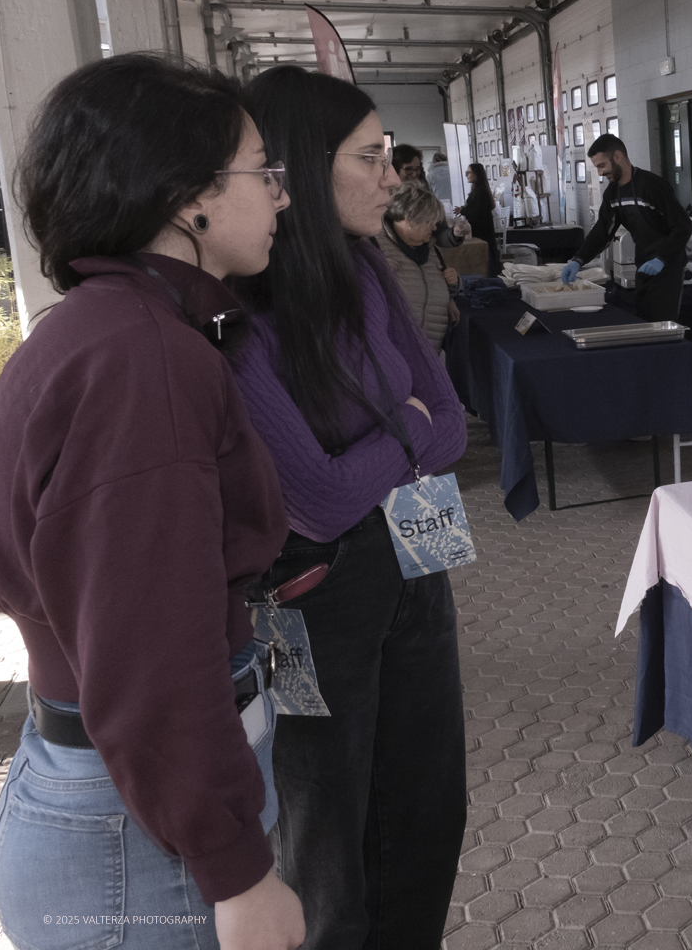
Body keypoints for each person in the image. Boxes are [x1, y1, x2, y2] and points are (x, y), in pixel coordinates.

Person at [0, 54, 302, 949]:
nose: (281, 196)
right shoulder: (145, 360)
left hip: (111, 795)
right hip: (140, 840)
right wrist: (237, 871)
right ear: (186, 198)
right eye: (261, 172)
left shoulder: (93, 330)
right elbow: (151, 650)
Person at [234, 66, 469, 950]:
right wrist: (401, 433)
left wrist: (392, 439)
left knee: (426, 808)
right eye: (369, 157)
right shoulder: (244, 309)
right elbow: (318, 498)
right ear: (297, 167)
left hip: (416, 555)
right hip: (316, 591)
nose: (392, 177)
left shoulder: (368, 269)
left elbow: (447, 422)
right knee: (328, 836)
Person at [559, 133, 692, 321]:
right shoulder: (612, 193)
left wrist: (662, 259)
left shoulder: (652, 186)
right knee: (644, 321)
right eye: (596, 167)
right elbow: (603, 231)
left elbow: (683, 226)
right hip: (643, 265)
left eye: (601, 165)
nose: (599, 173)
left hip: (668, 266)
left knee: (662, 326)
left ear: (618, 157)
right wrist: (578, 259)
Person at [378, 179, 460, 347]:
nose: (435, 228)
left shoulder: (428, 246)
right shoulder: (376, 247)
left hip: (430, 348)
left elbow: (437, 282)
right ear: (410, 220)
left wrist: (453, 289)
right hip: (396, 349)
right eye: (429, 223)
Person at [461, 160, 501, 276]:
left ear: (476, 174)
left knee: (487, 259)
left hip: (483, 231)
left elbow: (477, 212)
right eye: (466, 173)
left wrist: (464, 210)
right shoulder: (476, 190)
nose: (467, 175)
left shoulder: (481, 191)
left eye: (469, 172)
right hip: (480, 230)